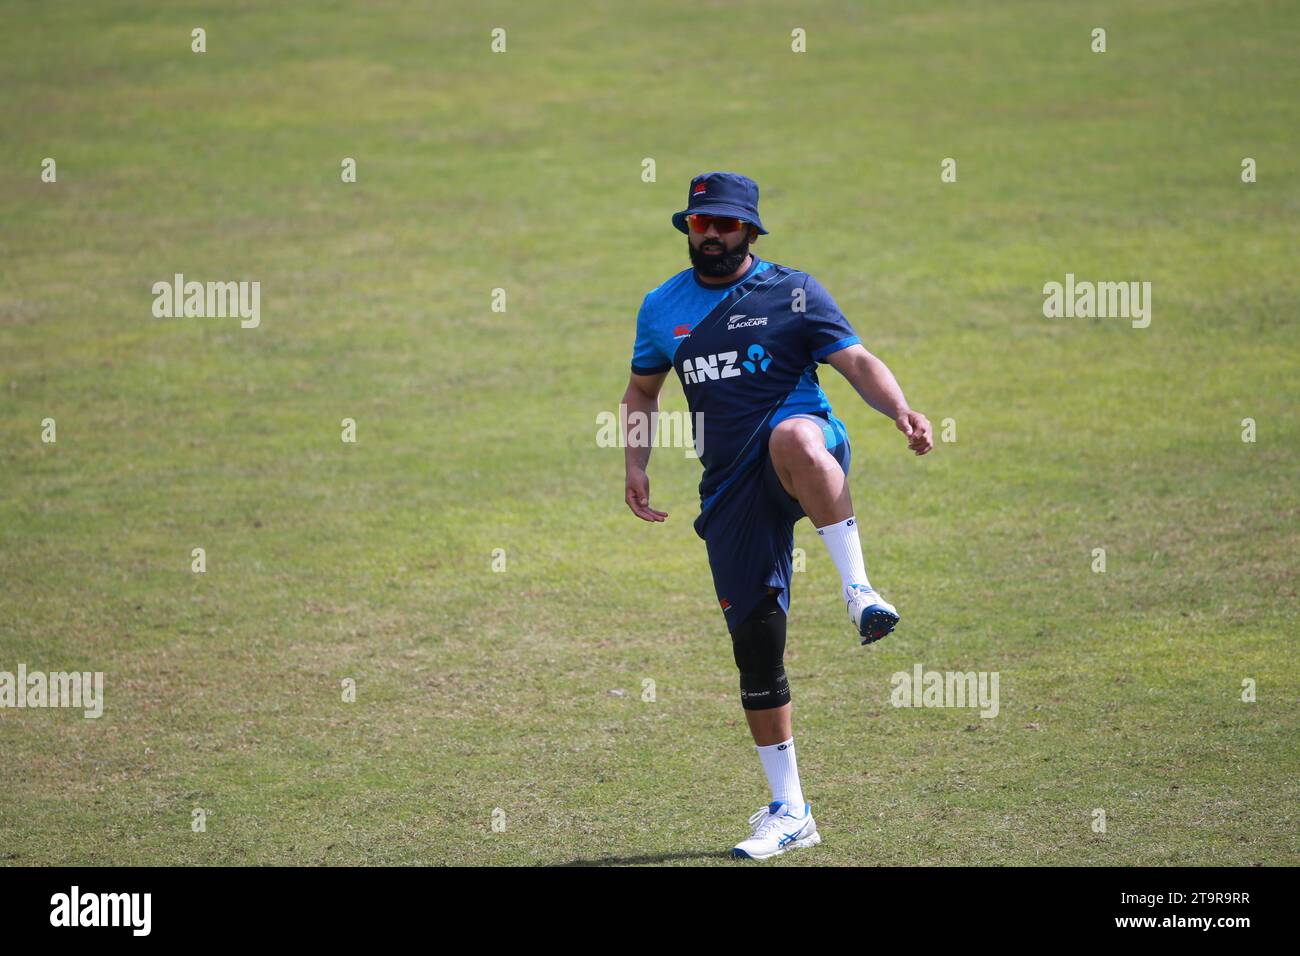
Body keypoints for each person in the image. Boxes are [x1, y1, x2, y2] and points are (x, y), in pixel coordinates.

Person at [621, 171, 933, 859]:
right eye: (701, 224)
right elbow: (642, 392)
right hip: (729, 489)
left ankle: (858, 589)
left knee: (792, 435)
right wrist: (635, 464)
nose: (711, 235)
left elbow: (854, 359)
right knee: (756, 648)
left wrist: (901, 410)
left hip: (805, 453)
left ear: (751, 231)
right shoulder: (660, 307)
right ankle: (791, 810)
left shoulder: (793, 291)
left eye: (726, 225)